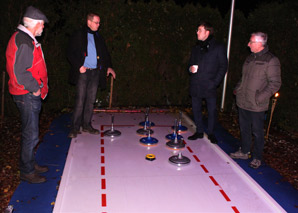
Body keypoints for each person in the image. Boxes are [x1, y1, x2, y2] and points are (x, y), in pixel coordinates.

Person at [6, 6, 49, 183]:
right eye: (42, 25)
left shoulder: (23, 37)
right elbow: (20, 72)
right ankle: (27, 171)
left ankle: (29, 163)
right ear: (36, 24)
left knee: (31, 132)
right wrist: (35, 88)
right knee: (30, 134)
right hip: (26, 94)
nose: (43, 28)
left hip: (25, 94)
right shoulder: (24, 41)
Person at [230, 32, 281, 169]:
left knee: (258, 132)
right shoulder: (250, 58)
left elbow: (275, 83)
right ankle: (245, 151)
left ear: (259, 44)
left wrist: (260, 97)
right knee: (244, 128)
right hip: (243, 100)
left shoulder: (271, 60)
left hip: (257, 104)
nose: (248, 44)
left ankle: (257, 157)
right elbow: (244, 77)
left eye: (251, 42)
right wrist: (238, 88)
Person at [67, 13, 116, 138]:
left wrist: (109, 67)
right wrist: (79, 66)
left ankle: (87, 125)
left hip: (95, 72)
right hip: (83, 72)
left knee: (90, 101)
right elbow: (70, 52)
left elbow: (105, 53)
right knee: (80, 100)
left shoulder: (98, 36)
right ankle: (74, 128)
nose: (98, 25)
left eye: (99, 23)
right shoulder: (79, 34)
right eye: (96, 22)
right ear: (89, 22)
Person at [187, 21, 228, 144]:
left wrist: (215, 83)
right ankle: (199, 131)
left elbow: (223, 66)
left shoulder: (218, 47)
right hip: (196, 84)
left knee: (211, 111)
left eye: (199, 30)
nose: (197, 32)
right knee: (196, 109)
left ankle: (210, 133)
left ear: (207, 32)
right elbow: (189, 65)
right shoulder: (196, 48)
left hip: (210, 86)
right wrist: (191, 69)